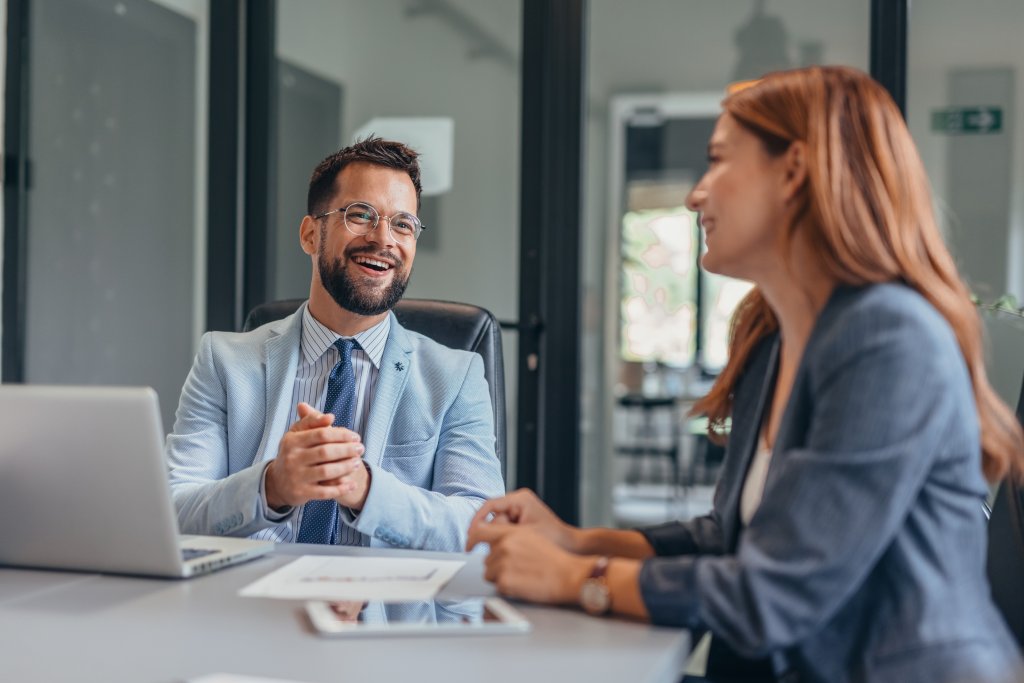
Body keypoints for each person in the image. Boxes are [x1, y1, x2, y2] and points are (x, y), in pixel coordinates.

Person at [467, 66, 1024, 682]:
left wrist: (577, 578)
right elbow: (727, 536)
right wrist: (579, 542)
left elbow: (775, 595)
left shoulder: (889, 337)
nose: (695, 195)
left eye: (718, 160)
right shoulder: (773, 337)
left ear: (794, 170)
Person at [168, 137, 504, 551]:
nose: (384, 239)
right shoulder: (222, 361)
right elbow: (174, 509)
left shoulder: (455, 377)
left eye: (403, 224)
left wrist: (366, 490)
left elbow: (483, 527)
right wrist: (271, 486)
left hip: (382, 592)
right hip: (253, 587)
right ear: (311, 234)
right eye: (360, 214)